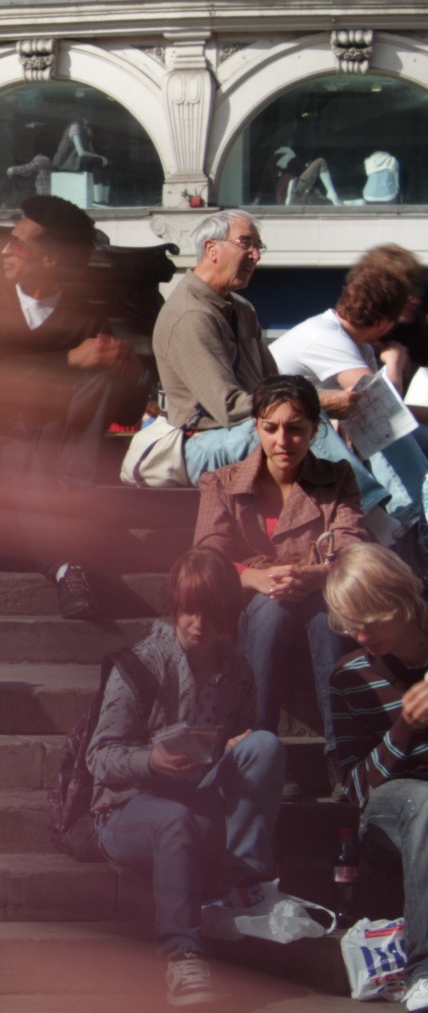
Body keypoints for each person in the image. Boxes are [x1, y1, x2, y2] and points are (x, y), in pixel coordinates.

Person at [87, 547, 286, 1009]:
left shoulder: (237, 670)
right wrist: (151, 760)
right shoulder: (140, 664)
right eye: (190, 610)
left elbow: (239, 746)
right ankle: (183, 954)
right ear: (175, 605)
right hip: (127, 810)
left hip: (200, 802)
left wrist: (231, 747)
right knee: (171, 818)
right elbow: (99, 757)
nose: (199, 624)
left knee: (265, 744)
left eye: (213, 613)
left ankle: (243, 885)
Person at [0, 195, 141, 619]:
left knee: (97, 385)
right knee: (25, 453)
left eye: (17, 245)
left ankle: (69, 562)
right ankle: (70, 563)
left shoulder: (85, 319)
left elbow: (123, 417)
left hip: (58, 452)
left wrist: (131, 375)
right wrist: (67, 361)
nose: (4, 251)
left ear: (50, 259)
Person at [194, 374, 367, 772]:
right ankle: (256, 749)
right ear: (256, 426)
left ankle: (345, 758)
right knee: (272, 609)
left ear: (315, 429)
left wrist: (317, 575)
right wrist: (252, 577)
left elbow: (351, 544)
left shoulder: (337, 478)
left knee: (328, 615)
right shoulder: (221, 482)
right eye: (270, 428)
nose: (282, 441)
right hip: (251, 606)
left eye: (296, 429)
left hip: (321, 598)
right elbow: (207, 557)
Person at [327, 542, 428, 1012]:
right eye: (352, 626)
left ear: (399, 601)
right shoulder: (349, 677)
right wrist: (405, 727)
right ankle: (423, 970)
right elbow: (354, 790)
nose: (362, 636)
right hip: (393, 807)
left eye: (372, 622)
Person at [269, 246, 428, 539]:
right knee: (383, 421)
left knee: (416, 434)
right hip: (276, 435)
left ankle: (417, 517)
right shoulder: (326, 336)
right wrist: (395, 362)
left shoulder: (358, 345)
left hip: (309, 434)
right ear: (384, 322)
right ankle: (414, 519)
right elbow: (385, 410)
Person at [150, 209, 272, 484]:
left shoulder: (243, 309)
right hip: (202, 443)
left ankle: (360, 502)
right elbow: (229, 409)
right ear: (211, 249)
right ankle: (368, 504)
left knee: (306, 422)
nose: (256, 255)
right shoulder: (190, 314)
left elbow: (275, 382)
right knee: (292, 427)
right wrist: (306, 404)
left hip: (246, 430)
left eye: (258, 246)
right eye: (246, 243)